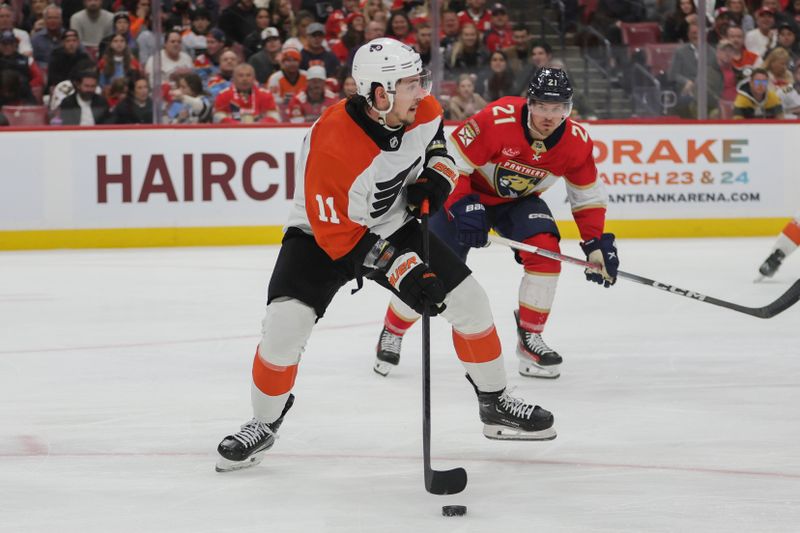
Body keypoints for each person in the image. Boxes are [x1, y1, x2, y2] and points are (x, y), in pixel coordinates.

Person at [215, 38, 558, 473]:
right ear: (380, 93)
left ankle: (495, 404)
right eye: (412, 83)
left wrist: (437, 176)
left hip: (392, 222)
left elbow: (438, 146)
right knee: (284, 327)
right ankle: (263, 422)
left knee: (471, 303)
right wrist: (405, 270)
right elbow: (338, 235)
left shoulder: (423, 109)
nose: (424, 91)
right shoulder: (333, 142)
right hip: (320, 237)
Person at [372, 67, 618, 380]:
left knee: (545, 251)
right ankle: (393, 329)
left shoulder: (577, 143)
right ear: (529, 103)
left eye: (557, 109)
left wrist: (595, 244)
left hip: (516, 203)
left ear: (567, 110)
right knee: (430, 270)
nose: (548, 116)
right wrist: (463, 204)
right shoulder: (497, 119)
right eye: (542, 106)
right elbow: (451, 161)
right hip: (464, 194)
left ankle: (530, 339)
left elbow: (587, 198)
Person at [213, 62, 280, 123]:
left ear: (254, 78)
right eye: (241, 75)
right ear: (233, 78)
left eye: (248, 75)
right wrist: (236, 125)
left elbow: (274, 116)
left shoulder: (265, 95)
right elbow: (217, 117)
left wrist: (258, 125)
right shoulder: (223, 95)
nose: (245, 79)